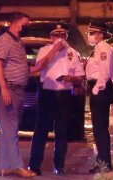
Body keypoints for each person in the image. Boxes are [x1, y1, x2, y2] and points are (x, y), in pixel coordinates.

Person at [0, 12, 64, 178]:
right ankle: (16, 166)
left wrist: (53, 51)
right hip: (8, 88)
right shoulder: (4, 40)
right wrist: (4, 88)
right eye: (26, 24)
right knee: (11, 129)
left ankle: (6, 166)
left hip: (17, 89)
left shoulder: (18, 42)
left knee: (7, 129)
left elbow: (33, 68)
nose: (27, 27)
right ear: (16, 24)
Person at [28, 23, 85, 176]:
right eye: (56, 35)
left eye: (62, 35)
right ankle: (34, 165)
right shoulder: (44, 50)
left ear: (66, 36)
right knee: (40, 131)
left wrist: (72, 79)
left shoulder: (73, 53)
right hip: (47, 93)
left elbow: (80, 78)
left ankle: (59, 166)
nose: (60, 38)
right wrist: (54, 50)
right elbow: (38, 67)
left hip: (64, 95)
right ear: (51, 36)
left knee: (62, 132)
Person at [86, 21, 113, 173]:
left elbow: (105, 72)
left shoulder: (104, 48)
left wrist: (97, 89)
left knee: (100, 128)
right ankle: (102, 161)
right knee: (98, 128)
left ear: (100, 34)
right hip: (97, 87)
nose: (89, 36)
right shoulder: (98, 48)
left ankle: (105, 163)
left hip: (100, 88)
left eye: (92, 33)